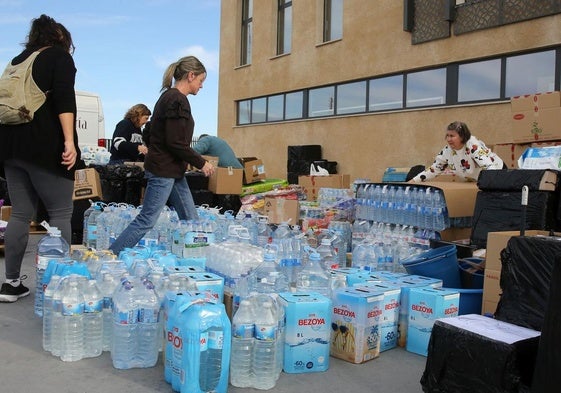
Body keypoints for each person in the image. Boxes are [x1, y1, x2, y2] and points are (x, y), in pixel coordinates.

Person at [0, 15, 80, 302]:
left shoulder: (17, 61)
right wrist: (70, 141)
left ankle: (10, 283)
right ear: (60, 37)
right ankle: (60, 287)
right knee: (60, 213)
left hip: (10, 147)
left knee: (20, 213)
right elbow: (64, 99)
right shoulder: (59, 57)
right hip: (45, 146)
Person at [108, 55, 215, 255]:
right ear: (191, 76)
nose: (201, 86)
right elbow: (175, 142)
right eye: (201, 81)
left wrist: (157, 150)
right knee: (147, 220)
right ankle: (110, 254)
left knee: (191, 220)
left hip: (171, 170)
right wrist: (202, 163)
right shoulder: (177, 100)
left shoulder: (167, 97)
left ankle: (199, 258)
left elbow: (149, 132)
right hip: (164, 171)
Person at [410, 121, 505, 183]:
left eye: (452, 136)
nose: (448, 139)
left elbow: (490, 167)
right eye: (447, 135)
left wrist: (492, 186)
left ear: (462, 136)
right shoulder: (447, 151)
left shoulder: (473, 146)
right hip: (475, 180)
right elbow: (434, 169)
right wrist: (413, 181)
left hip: (498, 174)